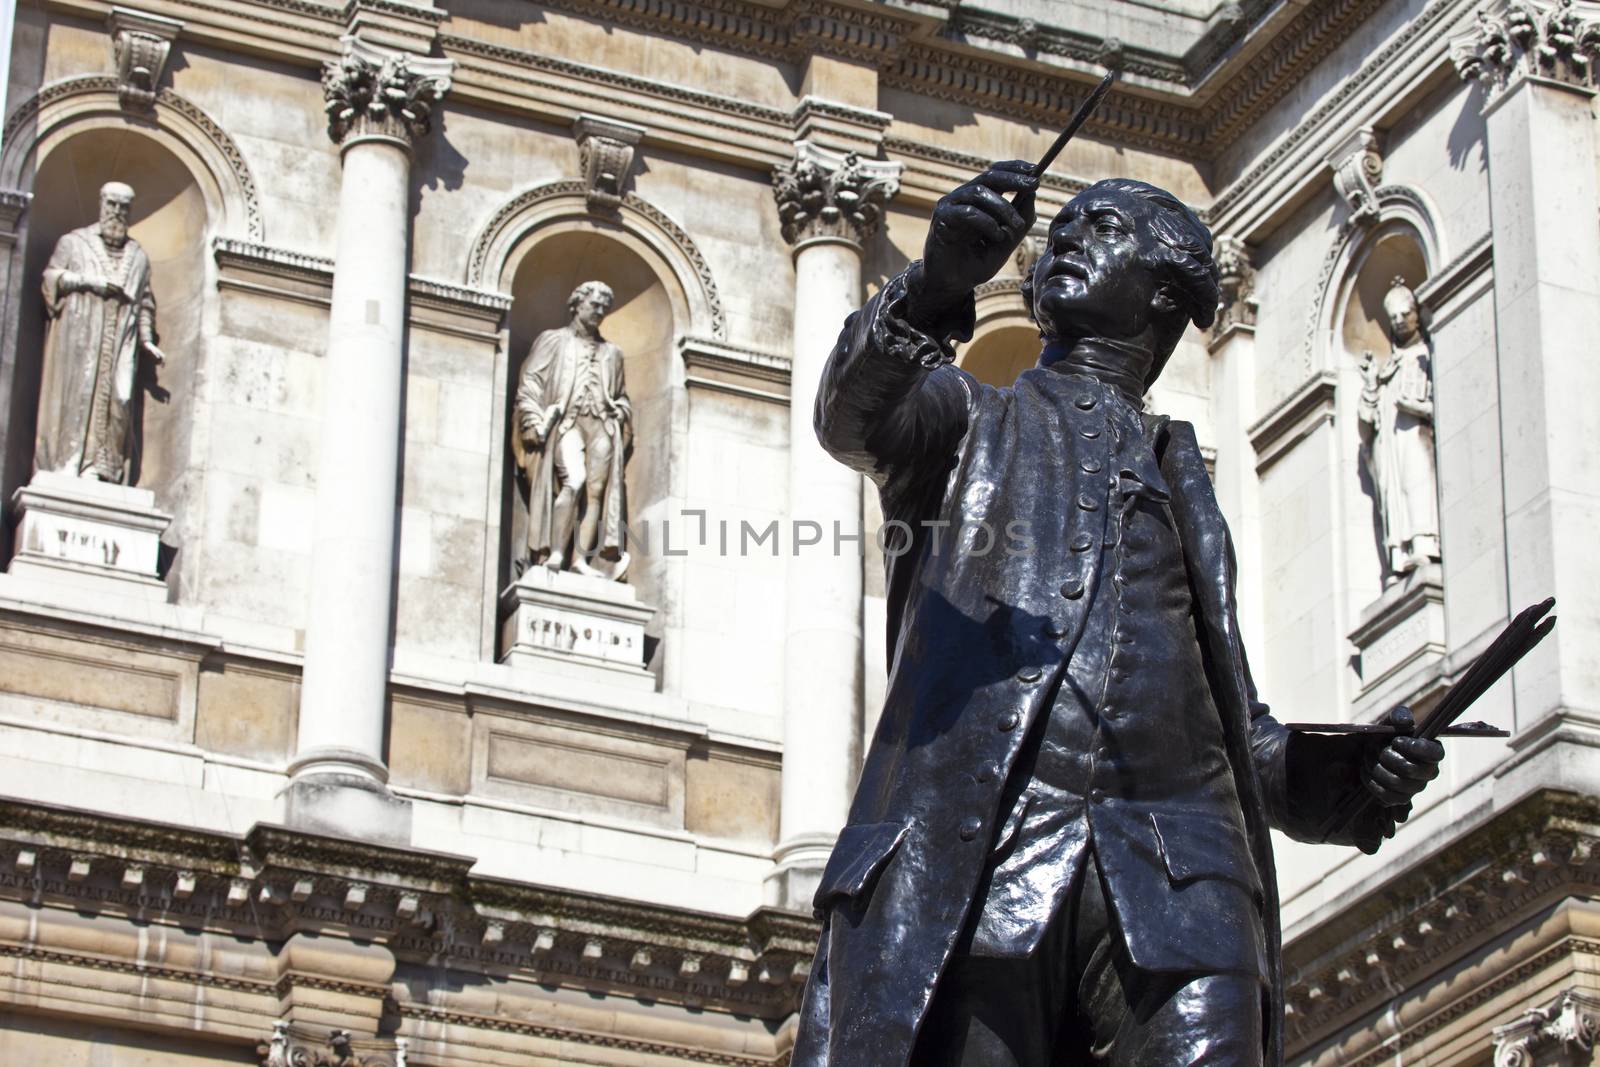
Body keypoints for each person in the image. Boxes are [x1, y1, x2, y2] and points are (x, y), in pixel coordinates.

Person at [793, 163, 1445, 1067]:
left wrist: (1344, 773)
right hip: (983, 861)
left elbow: (1238, 737)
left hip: (1188, 884)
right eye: (1063, 228)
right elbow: (854, 417)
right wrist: (937, 279)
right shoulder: (967, 419)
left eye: (1102, 230)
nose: (1065, 239)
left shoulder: (1188, 482)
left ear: (1168, 291)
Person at [36, 181, 165, 483]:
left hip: (123, 338)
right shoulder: (74, 242)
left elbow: (145, 302)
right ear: (101, 204)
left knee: (119, 399)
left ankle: (102, 468)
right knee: (76, 395)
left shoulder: (139, 256)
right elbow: (50, 278)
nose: (117, 212)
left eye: (123, 207)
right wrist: (88, 283)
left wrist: (147, 340)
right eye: (112, 204)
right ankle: (68, 462)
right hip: (79, 333)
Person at [512, 280, 633, 579]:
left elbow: (621, 396)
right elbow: (530, 384)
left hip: (601, 425)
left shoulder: (612, 353)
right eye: (594, 305)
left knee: (595, 493)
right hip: (568, 424)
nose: (599, 312)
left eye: (605, 308)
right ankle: (556, 552)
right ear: (577, 304)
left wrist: (621, 410)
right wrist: (534, 419)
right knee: (574, 481)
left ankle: (580, 560)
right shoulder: (553, 341)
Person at [1358, 278, 1440, 584]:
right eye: (1393, 318)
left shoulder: (1427, 356)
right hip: (1389, 443)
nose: (1399, 322)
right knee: (1393, 491)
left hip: (1417, 435)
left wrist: (1418, 409)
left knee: (1417, 483)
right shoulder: (1387, 368)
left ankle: (1424, 542)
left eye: (1404, 315)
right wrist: (1369, 384)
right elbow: (1368, 420)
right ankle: (1399, 555)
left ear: (1416, 315)